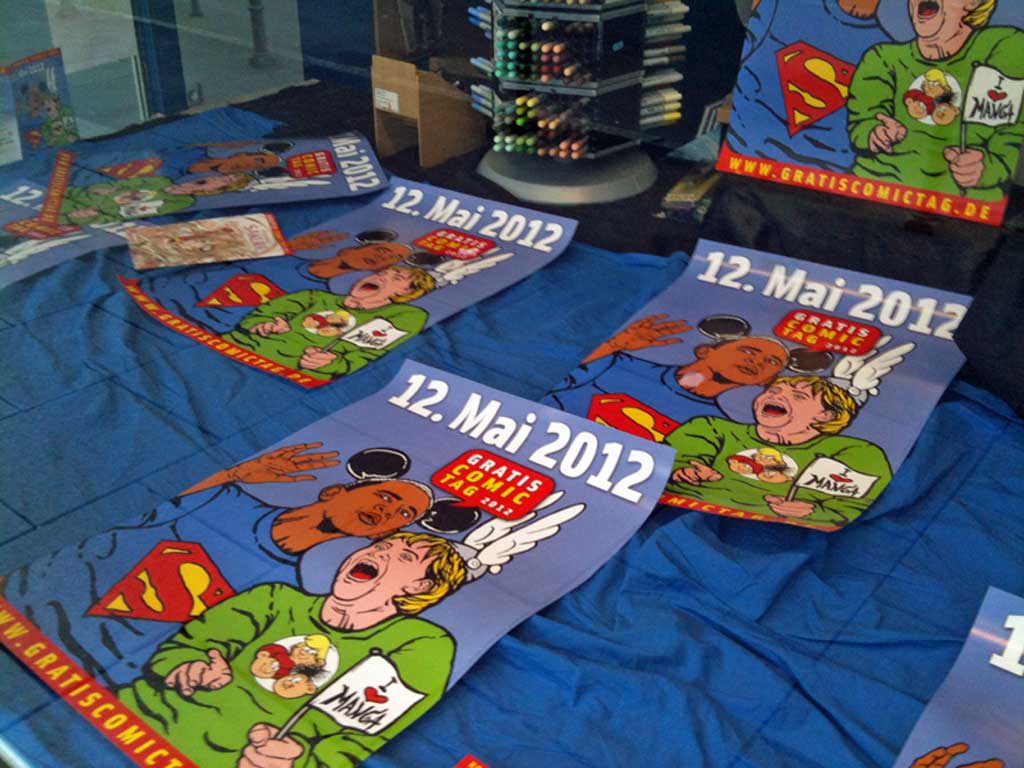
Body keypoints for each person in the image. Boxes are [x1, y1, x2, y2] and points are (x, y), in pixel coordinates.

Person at [1, 443, 441, 687]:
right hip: (22, 603)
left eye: (402, 515)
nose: (388, 511)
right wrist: (234, 474)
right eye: (386, 496)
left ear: (380, 537)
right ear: (334, 491)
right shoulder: (222, 496)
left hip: (72, 673)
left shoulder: (278, 594)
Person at [117, 533, 466, 768]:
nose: (378, 553)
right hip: (132, 719)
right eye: (380, 546)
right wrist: (189, 666)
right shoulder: (274, 598)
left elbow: (361, 737)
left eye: (403, 556)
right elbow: (185, 645)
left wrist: (296, 757)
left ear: (418, 586)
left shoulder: (421, 644)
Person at [848, 0, 1024, 199]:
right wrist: (876, 133)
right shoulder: (882, 58)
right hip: (873, 190)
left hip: (964, 206)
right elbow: (862, 122)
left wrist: (987, 167)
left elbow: (1010, 135)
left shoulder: (1003, 45)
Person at [665, 376, 892, 528]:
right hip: (677, 517)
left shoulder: (855, 452)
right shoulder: (711, 427)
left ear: (826, 415)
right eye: (773, 390)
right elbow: (668, 459)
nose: (776, 397)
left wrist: (813, 510)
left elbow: (859, 504)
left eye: (798, 396)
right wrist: (684, 471)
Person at [546, 314, 789, 429]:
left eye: (771, 362)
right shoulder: (617, 364)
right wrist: (613, 345)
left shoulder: (715, 426)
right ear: (705, 350)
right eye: (749, 351)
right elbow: (550, 379)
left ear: (766, 381)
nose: (757, 362)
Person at [223, 266, 436, 382]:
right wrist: (265, 325)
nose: (380, 277)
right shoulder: (314, 296)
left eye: (396, 278)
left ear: (406, 293)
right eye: (380, 273)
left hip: (284, 375)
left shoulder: (406, 316)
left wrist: (330, 362)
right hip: (234, 349)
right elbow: (259, 316)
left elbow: (363, 356)